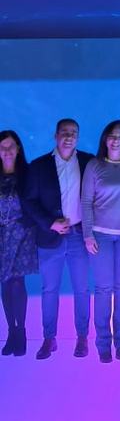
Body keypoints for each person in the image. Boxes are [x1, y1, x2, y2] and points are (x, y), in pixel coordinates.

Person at [25, 119, 93, 360]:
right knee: (49, 290)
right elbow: (29, 202)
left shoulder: (88, 161)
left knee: (82, 290)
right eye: (64, 133)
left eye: (73, 133)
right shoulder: (39, 166)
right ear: (55, 136)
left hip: (78, 234)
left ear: (78, 136)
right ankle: (48, 338)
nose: (69, 137)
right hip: (50, 236)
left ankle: (83, 337)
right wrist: (50, 223)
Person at [82, 120, 120, 363]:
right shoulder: (94, 165)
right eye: (112, 135)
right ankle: (103, 344)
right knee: (103, 289)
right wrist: (87, 234)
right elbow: (86, 202)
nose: (116, 140)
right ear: (105, 139)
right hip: (100, 236)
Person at [0, 130, 38, 356]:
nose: (6, 151)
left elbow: (35, 200)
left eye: (10, 146)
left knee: (16, 282)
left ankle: (21, 332)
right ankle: (10, 331)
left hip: (22, 233)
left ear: (18, 148)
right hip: (1, 235)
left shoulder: (28, 172)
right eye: (2, 147)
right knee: (4, 282)